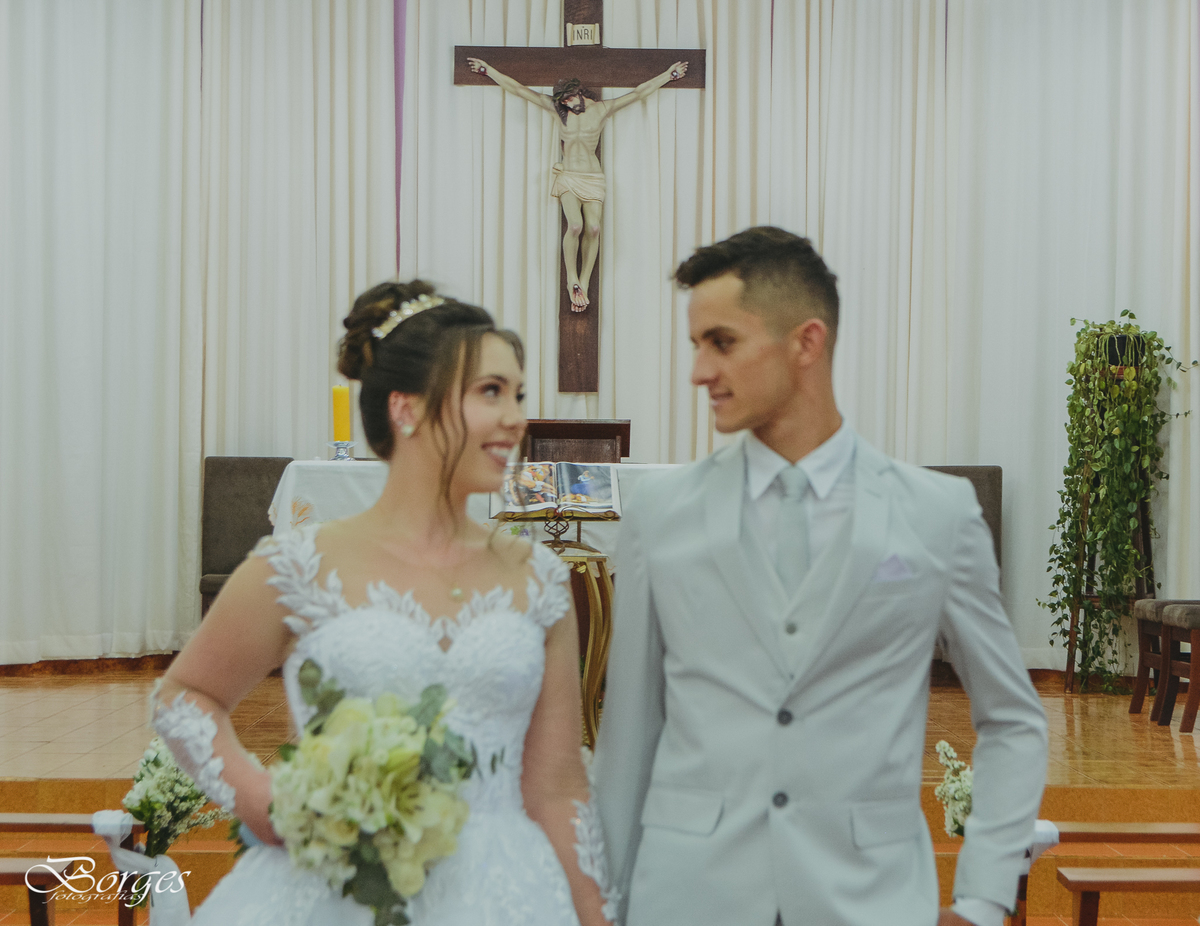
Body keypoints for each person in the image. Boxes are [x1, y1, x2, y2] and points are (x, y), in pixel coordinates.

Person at [592, 227, 1049, 926]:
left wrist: (984, 900)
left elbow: (1013, 719)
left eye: (722, 342)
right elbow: (628, 737)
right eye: (696, 345)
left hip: (867, 899)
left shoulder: (936, 514)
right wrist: (608, 907)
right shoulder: (659, 513)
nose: (699, 372)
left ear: (806, 342)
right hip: (688, 897)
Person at [151, 280, 615, 925]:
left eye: (517, 395)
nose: (515, 418)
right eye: (490, 391)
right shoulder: (300, 565)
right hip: (339, 888)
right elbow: (184, 695)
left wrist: (595, 914)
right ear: (407, 408)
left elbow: (558, 786)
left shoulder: (538, 578)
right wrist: (263, 798)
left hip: (504, 889)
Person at [466, 57, 688, 311]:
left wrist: (668, 75)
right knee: (575, 225)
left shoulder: (602, 109)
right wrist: (488, 71)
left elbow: (638, 93)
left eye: (569, 98)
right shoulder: (557, 110)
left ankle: (584, 281)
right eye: (563, 101)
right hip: (569, 175)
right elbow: (519, 89)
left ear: (579, 93)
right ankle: (571, 278)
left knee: (593, 228)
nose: (567, 104)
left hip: (593, 178)